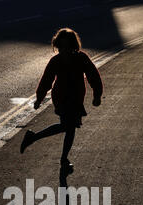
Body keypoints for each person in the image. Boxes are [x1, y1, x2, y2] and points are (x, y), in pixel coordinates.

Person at [20, 28, 103, 170]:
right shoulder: (56, 61)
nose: (64, 50)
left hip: (76, 98)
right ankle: (59, 157)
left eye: (67, 46)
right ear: (58, 46)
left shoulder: (81, 58)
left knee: (70, 128)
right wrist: (39, 99)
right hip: (62, 98)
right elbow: (46, 81)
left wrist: (97, 95)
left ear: (73, 46)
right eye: (61, 47)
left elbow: (93, 76)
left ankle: (55, 153)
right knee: (68, 127)